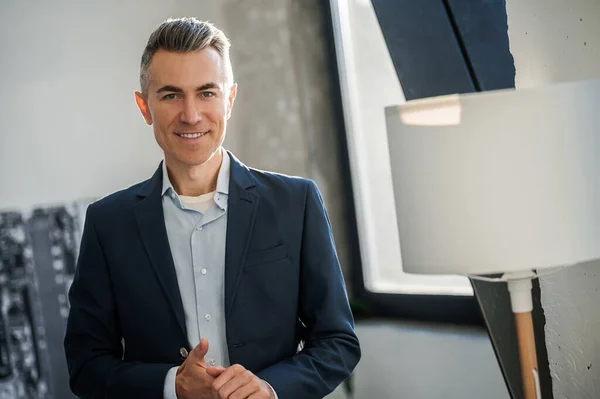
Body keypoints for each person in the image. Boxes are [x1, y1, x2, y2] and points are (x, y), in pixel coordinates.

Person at [63, 17, 360, 399]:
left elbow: (338, 342)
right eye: (171, 95)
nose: (191, 114)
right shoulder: (109, 224)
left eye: (206, 93)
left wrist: (271, 389)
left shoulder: (295, 203)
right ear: (144, 106)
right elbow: (86, 366)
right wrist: (173, 385)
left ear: (230, 99)